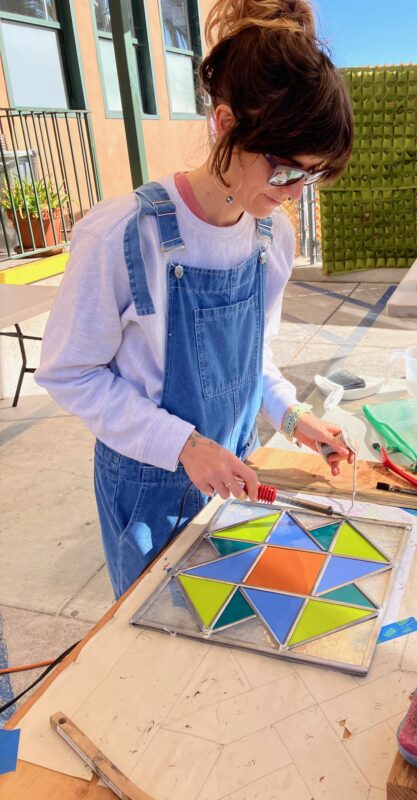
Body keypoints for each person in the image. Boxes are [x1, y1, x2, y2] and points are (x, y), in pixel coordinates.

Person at [36, 0, 354, 598]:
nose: (293, 194)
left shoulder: (271, 237)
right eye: (286, 170)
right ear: (228, 125)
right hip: (146, 492)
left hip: (235, 474)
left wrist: (291, 415)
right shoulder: (122, 234)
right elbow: (69, 372)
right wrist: (183, 445)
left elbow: (248, 360)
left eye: (311, 177)